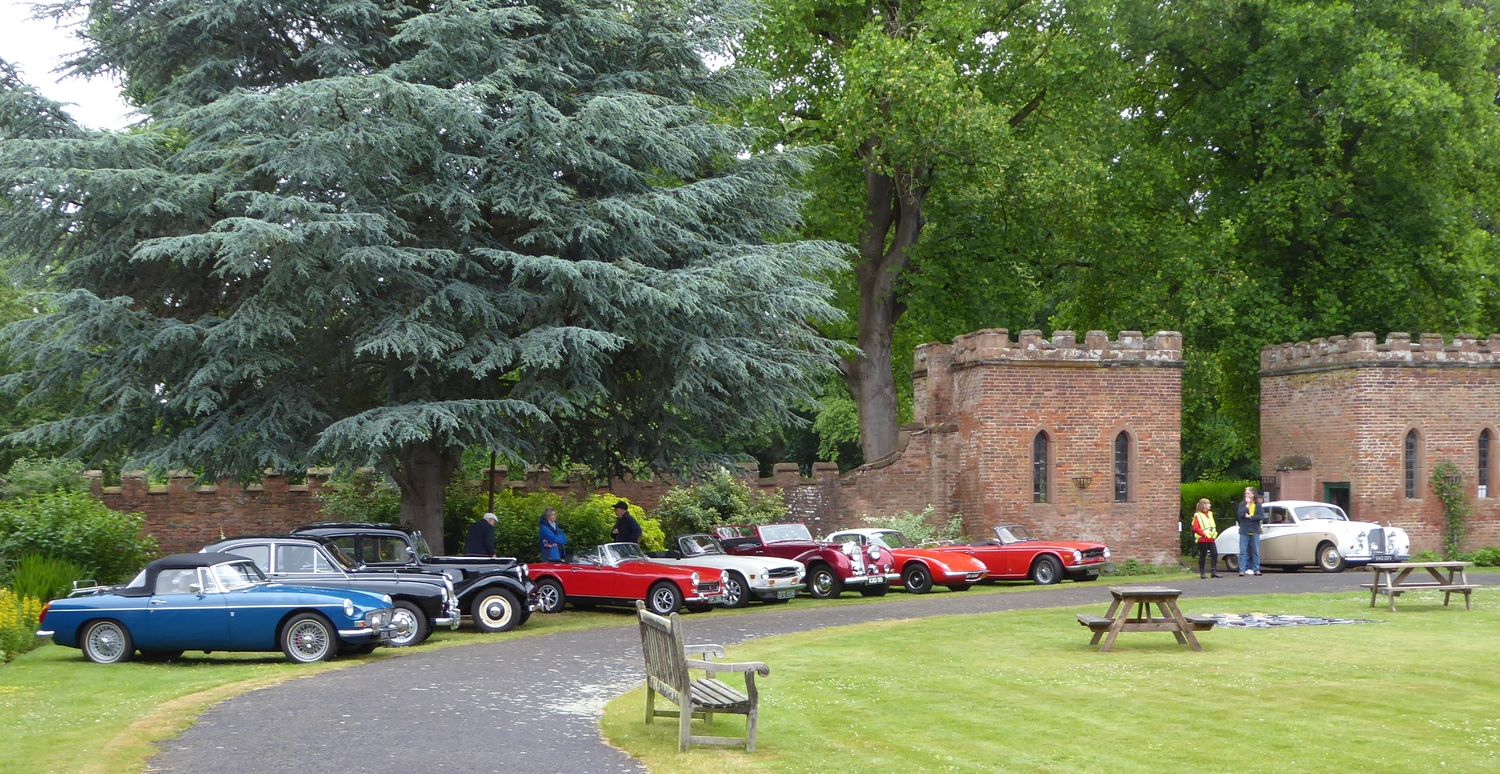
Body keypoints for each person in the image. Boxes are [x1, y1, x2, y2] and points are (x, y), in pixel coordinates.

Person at [1234, 487, 1266, 576]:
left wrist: (1250, 517)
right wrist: (1246, 506)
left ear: (1253, 494)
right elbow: (1239, 515)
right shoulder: (1242, 504)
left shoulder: (1258, 504)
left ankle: (1256, 569)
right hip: (1244, 530)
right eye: (1245, 493)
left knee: (1256, 551)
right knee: (1243, 551)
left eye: (1248, 493)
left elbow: (1261, 516)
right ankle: (1242, 570)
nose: (1246, 495)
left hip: (1255, 530)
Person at [1191, 498, 1221, 579]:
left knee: (1215, 554)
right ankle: (1202, 572)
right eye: (1208, 504)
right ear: (1204, 505)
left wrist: (1214, 533)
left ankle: (1213, 572)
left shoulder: (1210, 514)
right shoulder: (1198, 515)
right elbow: (1195, 528)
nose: (1210, 505)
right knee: (1203, 555)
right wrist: (1203, 534)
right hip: (1203, 539)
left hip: (1211, 538)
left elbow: (1212, 525)